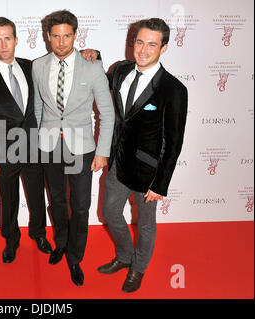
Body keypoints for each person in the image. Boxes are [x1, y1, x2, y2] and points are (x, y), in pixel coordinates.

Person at [97, 18, 188, 293]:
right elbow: (102, 83)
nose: (144, 49)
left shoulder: (173, 89)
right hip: (117, 163)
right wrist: (95, 57)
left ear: (164, 48)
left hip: (148, 171)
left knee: (146, 225)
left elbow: (174, 142)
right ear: (132, 42)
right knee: (110, 214)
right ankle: (125, 256)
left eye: (152, 44)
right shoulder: (121, 70)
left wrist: (161, 183)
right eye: (139, 42)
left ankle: (138, 268)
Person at [33, 10, 115, 286]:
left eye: (67, 35)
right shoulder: (38, 66)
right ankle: (61, 243)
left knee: (80, 205)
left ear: (76, 35)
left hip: (82, 148)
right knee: (56, 200)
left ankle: (75, 257)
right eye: (55, 36)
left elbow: (107, 112)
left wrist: (103, 151)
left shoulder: (92, 66)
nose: (61, 42)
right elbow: (37, 108)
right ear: (47, 37)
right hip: (49, 145)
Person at [0, 17, 52, 263]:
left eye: (8, 38)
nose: (4, 44)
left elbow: (62, 63)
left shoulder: (32, 67)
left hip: (34, 147)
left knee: (38, 195)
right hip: (3, 152)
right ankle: (11, 239)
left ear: (16, 40)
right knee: (9, 199)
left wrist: (92, 53)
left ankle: (39, 234)